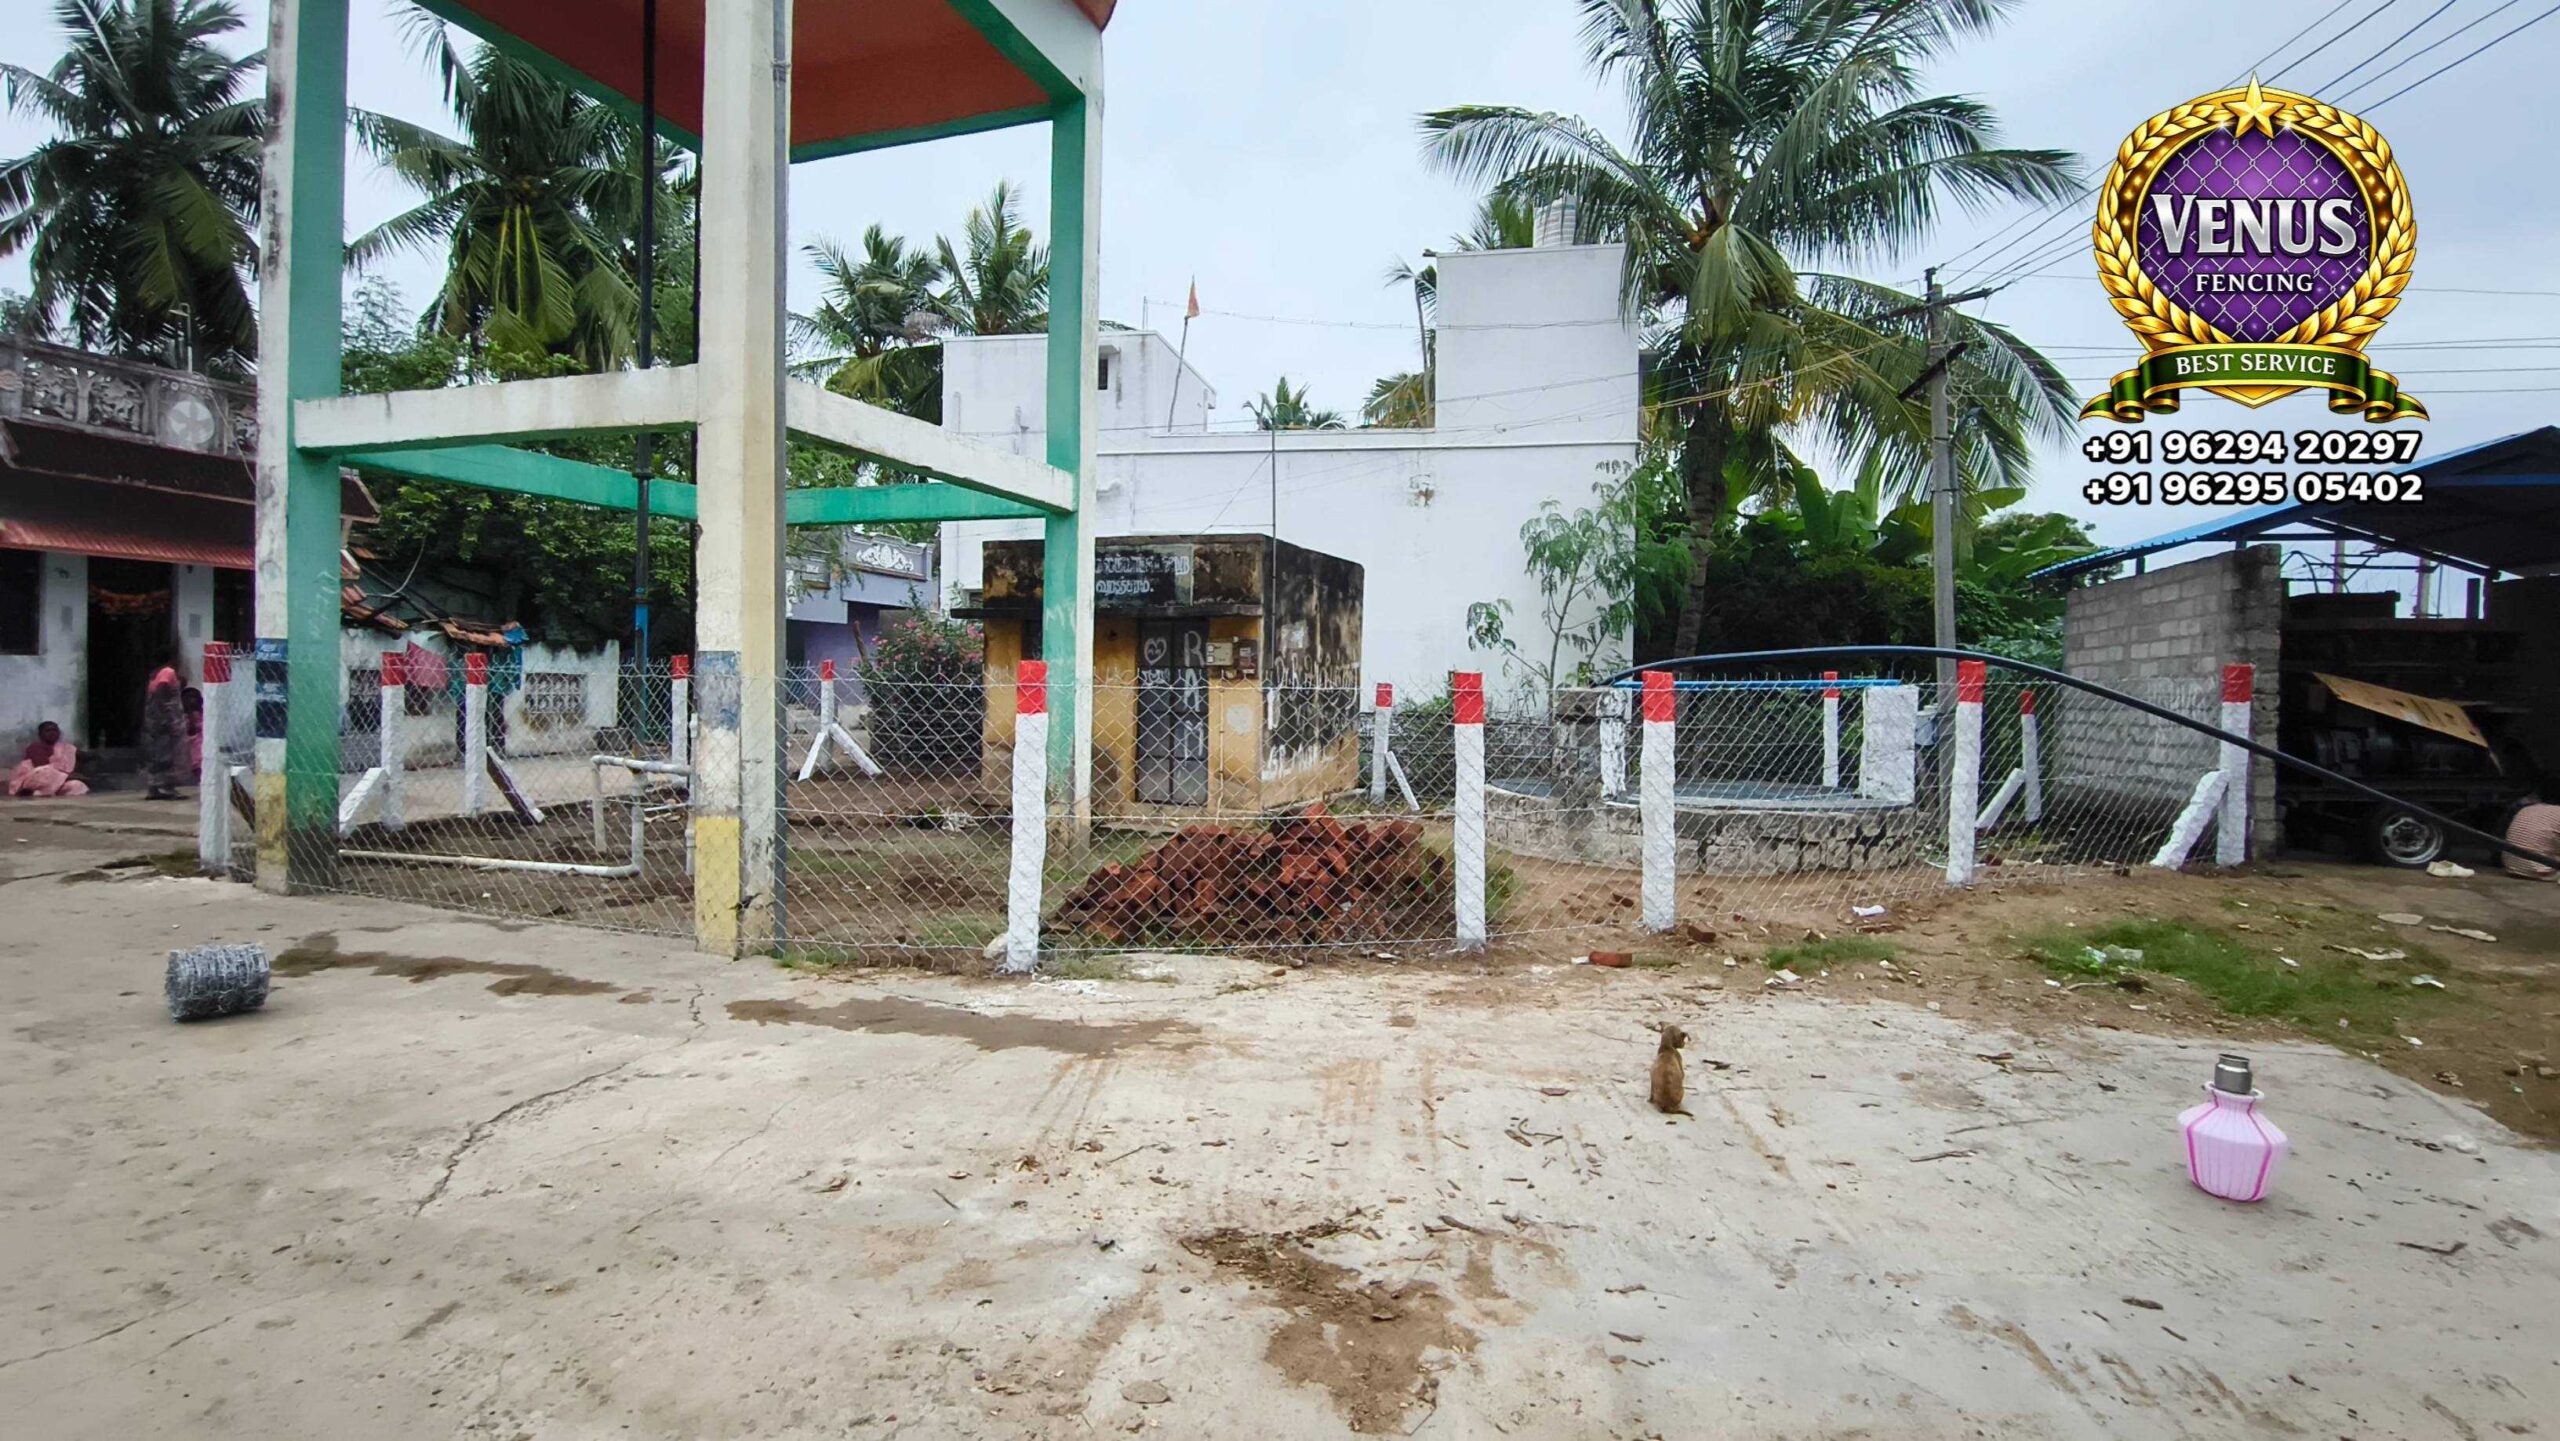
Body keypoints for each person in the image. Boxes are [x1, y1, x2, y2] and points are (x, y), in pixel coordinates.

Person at [142, 656, 187, 800]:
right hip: (166, 720)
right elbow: (161, 689)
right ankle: (166, 788)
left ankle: (154, 787)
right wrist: (165, 715)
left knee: (157, 754)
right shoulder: (168, 672)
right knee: (168, 754)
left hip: (155, 720)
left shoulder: (155, 674)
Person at [8, 721, 88, 798]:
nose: (52, 733)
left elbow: (84, 756)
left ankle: (56, 798)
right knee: (47, 772)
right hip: (36, 780)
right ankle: (32, 792)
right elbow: (43, 768)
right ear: (40, 734)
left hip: (57, 782)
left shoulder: (67, 748)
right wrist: (68, 776)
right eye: (48, 730)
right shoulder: (35, 747)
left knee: (76, 785)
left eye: (55, 730)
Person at [183, 686, 205, 779]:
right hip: (193, 750)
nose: (192, 700)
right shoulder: (184, 716)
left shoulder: (204, 714)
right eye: (190, 697)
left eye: (194, 697)